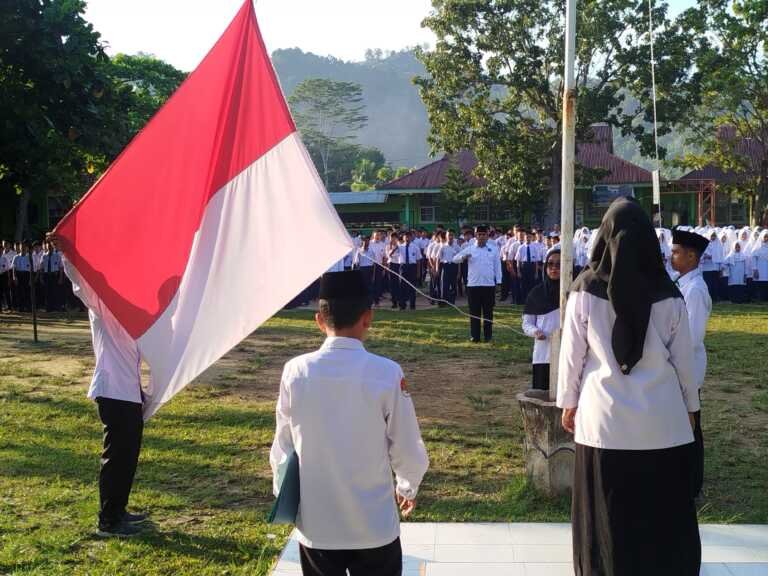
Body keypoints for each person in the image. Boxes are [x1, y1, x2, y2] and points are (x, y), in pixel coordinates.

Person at [557, 197, 701, 576]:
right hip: (662, 421)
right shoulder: (669, 294)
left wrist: (568, 402)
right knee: (659, 517)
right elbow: (684, 363)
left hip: (603, 419)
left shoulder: (585, 290)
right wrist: (691, 407)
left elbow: (572, 356)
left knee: (607, 516)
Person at [270, 270, 429, 576]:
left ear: (319, 320)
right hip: (373, 523)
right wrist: (407, 486)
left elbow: (283, 443)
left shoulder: (295, 371)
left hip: (317, 522)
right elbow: (406, 443)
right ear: (368, 318)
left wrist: (283, 493)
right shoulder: (386, 372)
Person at [54, 240, 149, 537]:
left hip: (129, 394)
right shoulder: (102, 307)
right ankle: (108, 520)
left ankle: (118, 511)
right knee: (116, 457)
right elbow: (81, 283)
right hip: (112, 392)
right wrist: (67, 251)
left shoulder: (130, 317)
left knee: (128, 456)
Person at [671, 228, 712, 498]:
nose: (671, 256)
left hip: (688, 365)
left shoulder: (695, 290)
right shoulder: (681, 281)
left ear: (691, 256)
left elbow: (693, 337)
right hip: (679, 364)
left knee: (692, 424)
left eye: (676, 252)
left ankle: (693, 483)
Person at [453, 225, 502, 343]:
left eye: (484, 235)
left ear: (487, 236)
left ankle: (488, 336)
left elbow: (497, 266)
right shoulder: (470, 248)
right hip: (473, 285)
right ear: (476, 236)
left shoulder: (493, 249)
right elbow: (454, 259)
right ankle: (475, 336)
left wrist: (499, 282)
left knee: (488, 312)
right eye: (479, 235)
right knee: (474, 312)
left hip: (488, 285)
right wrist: (463, 257)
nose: (481, 237)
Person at [522, 249, 561, 391]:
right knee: (542, 393)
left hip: (567, 353)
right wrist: (536, 332)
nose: (554, 268)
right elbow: (527, 324)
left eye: (559, 264)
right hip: (543, 353)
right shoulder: (536, 293)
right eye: (550, 264)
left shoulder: (574, 292)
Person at [438, 230, 460, 305]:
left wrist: (459, 271)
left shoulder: (457, 247)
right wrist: (437, 269)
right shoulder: (443, 246)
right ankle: (444, 301)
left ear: (454, 236)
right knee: (444, 285)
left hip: (454, 266)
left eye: (452, 235)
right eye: (449, 235)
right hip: (445, 266)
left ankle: (452, 302)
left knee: (453, 285)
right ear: (446, 236)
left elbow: (459, 260)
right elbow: (439, 259)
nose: (450, 237)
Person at [700, 230, 723, 302]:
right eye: (712, 236)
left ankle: (715, 298)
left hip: (715, 267)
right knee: (708, 284)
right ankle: (708, 299)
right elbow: (700, 255)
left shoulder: (718, 244)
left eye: (714, 236)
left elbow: (721, 256)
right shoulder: (704, 243)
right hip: (706, 268)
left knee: (715, 284)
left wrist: (720, 268)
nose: (713, 237)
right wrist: (704, 256)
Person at [752, 230, 768, 302]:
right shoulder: (757, 247)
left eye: (767, 237)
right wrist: (755, 269)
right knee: (761, 284)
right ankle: (761, 298)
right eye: (765, 237)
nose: (766, 238)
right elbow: (753, 258)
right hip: (760, 268)